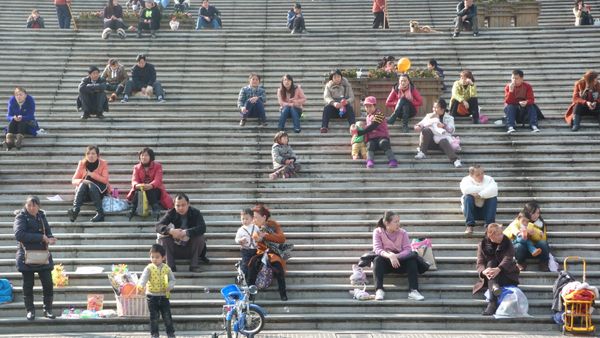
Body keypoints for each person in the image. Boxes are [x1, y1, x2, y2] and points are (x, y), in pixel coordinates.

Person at [14, 196, 57, 321]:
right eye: (29, 205)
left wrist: (51, 238)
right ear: (26, 206)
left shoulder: (41, 216)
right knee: (28, 285)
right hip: (26, 256)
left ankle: (47, 309)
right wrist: (40, 238)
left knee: (48, 284)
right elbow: (19, 234)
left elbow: (47, 232)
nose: (32, 208)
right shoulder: (21, 216)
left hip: (42, 255)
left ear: (39, 206)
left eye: (34, 205)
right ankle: (30, 310)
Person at [372, 211, 425, 301]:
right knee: (377, 260)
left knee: (411, 260)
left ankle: (413, 291)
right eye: (395, 222)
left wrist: (396, 256)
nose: (398, 224)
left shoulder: (403, 233)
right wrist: (390, 256)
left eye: (398, 221)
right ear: (386, 223)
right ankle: (379, 290)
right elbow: (377, 249)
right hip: (385, 262)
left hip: (401, 262)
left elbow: (407, 250)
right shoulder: (378, 232)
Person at [473, 223, 520, 316]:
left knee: (492, 264)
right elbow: (480, 263)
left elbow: (508, 258)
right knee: (490, 263)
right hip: (490, 275)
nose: (501, 236)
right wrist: (483, 272)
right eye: (499, 234)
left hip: (506, 274)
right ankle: (494, 288)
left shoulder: (507, 242)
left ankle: (492, 302)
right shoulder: (482, 245)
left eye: (501, 233)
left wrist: (499, 268)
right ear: (491, 236)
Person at [156, 193, 208, 273]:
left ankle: (194, 266)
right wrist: (171, 231)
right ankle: (170, 267)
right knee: (164, 239)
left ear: (188, 204)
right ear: (174, 205)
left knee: (199, 237)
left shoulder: (195, 213)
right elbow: (158, 226)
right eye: (178, 205)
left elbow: (202, 227)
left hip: (191, 248)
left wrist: (186, 232)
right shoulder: (171, 213)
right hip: (175, 248)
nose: (181, 208)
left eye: (183, 205)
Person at [247, 204, 289, 301]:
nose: (254, 220)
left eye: (256, 217)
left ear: (264, 217)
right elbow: (255, 237)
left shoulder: (273, 225)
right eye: (253, 217)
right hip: (261, 253)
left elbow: (282, 238)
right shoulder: (254, 227)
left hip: (273, 252)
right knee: (251, 265)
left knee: (278, 266)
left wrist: (266, 236)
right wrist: (258, 237)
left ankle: (283, 293)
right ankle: (250, 293)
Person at [138, 244, 176, 338]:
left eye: (157, 257)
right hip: (151, 296)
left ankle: (170, 333)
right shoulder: (149, 268)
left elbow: (172, 279)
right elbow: (143, 278)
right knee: (154, 317)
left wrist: (170, 286)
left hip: (164, 296)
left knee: (167, 316)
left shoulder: (167, 268)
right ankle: (154, 334)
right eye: (152, 257)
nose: (154, 259)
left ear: (163, 257)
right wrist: (140, 286)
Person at [126, 147, 174, 220]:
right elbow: (134, 180)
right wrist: (137, 185)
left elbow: (158, 180)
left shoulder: (158, 166)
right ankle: (132, 210)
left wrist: (151, 185)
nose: (143, 157)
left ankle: (156, 209)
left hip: (155, 190)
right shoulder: (136, 167)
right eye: (142, 155)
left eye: (146, 155)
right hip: (141, 189)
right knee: (138, 191)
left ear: (151, 157)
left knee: (149, 190)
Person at [414, 98, 461, 168]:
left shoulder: (449, 118)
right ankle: (422, 152)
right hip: (429, 142)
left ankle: (455, 160)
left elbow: (452, 130)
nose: (434, 109)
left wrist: (444, 126)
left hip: (442, 143)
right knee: (426, 130)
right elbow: (421, 123)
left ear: (442, 109)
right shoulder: (429, 115)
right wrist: (418, 127)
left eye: (436, 108)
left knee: (444, 141)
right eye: (433, 107)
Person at [68, 145, 110, 223]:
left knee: (91, 185)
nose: (90, 156)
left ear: (98, 155)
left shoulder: (103, 163)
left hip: (99, 193)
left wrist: (91, 174)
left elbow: (105, 180)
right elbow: (73, 180)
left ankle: (100, 213)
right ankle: (75, 211)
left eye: (93, 153)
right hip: (85, 194)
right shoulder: (82, 163)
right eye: (88, 153)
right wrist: (82, 181)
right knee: (83, 184)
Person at [504, 201, 550, 272]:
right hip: (522, 249)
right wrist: (520, 233)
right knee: (519, 245)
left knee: (543, 243)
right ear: (527, 212)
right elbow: (509, 233)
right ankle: (520, 262)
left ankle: (544, 263)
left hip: (535, 250)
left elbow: (543, 238)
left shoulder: (540, 223)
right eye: (533, 213)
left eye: (538, 213)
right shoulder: (519, 221)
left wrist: (533, 234)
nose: (536, 215)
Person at [354, 96, 398, 168]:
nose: (368, 109)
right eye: (366, 107)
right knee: (370, 145)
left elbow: (373, 126)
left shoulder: (380, 114)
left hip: (382, 137)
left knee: (384, 143)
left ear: (374, 105)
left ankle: (392, 160)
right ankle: (369, 161)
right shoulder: (368, 116)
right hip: (372, 139)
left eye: (370, 106)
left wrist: (360, 133)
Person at [460, 165, 498, 234]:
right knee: (468, 197)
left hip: (486, 212)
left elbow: (494, 190)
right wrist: (485, 189)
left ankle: (489, 226)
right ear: (471, 175)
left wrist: (479, 195)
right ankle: (469, 225)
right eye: (477, 175)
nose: (481, 176)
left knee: (493, 198)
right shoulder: (466, 180)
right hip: (472, 212)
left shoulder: (489, 179)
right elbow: (466, 190)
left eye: (482, 173)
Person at [504, 69, 541, 134]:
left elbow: (531, 99)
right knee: (510, 107)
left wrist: (526, 102)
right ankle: (510, 126)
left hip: (524, 109)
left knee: (531, 106)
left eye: (516, 78)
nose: (514, 80)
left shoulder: (527, 86)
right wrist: (511, 91)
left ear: (522, 79)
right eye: (512, 78)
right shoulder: (508, 87)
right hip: (513, 109)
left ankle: (534, 125)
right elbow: (508, 101)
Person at [321, 69, 356, 133]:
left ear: (341, 77)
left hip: (344, 108)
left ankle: (353, 126)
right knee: (326, 108)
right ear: (332, 78)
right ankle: (324, 127)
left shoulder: (347, 85)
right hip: (334, 108)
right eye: (335, 77)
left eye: (338, 77)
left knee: (350, 108)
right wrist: (333, 103)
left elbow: (352, 97)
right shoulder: (328, 86)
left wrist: (346, 102)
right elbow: (326, 97)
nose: (337, 79)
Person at [235, 208, 258, 280]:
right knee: (246, 265)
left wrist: (259, 237)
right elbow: (236, 239)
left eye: (247, 219)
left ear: (252, 218)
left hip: (255, 249)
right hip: (245, 250)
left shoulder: (255, 227)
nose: (244, 221)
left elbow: (259, 235)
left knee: (253, 265)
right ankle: (243, 277)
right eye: (242, 219)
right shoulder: (241, 229)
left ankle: (251, 279)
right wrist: (240, 240)